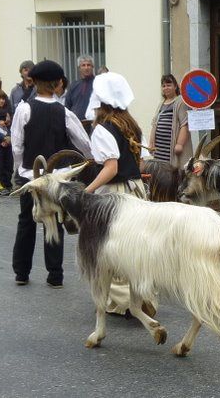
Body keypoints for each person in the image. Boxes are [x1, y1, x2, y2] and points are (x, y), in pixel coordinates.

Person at [11, 60, 92, 287]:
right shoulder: (64, 112)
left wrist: (21, 169)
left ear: (34, 82)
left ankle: (21, 273)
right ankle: (55, 274)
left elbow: (17, 144)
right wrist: (85, 162)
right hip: (57, 178)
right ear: (57, 84)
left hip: (31, 176)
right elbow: (84, 143)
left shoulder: (24, 109)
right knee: (54, 221)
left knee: (26, 221)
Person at [84, 71, 153, 316]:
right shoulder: (132, 125)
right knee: (136, 248)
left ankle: (124, 302)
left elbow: (110, 168)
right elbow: (143, 163)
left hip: (114, 196)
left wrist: (87, 191)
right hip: (136, 191)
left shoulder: (103, 129)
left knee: (108, 249)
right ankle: (142, 296)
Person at [149, 74, 192, 168]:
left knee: (172, 174)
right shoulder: (161, 103)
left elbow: (184, 124)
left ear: (175, 86)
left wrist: (179, 144)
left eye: (169, 85)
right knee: (161, 172)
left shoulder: (180, 101)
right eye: (163, 86)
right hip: (160, 150)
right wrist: (151, 143)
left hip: (171, 150)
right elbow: (154, 124)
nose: (166, 88)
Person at [65, 55, 95, 134]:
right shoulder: (74, 85)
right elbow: (67, 106)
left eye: (88, 65)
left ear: (92, 67)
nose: (86, 68)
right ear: (79, 68)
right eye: (83, 65)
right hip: (76, 126)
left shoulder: (97, 84)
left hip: (93, 125)